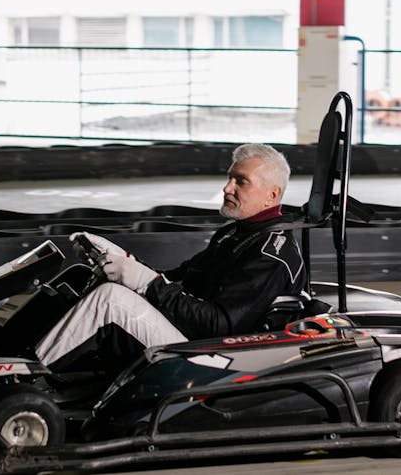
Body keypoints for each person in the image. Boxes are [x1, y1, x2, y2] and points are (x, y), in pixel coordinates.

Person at [35, 143, 304, 373]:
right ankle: (20, 346)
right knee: (86, 274)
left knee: (111, 300)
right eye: (229, 178)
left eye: (240, 181)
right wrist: (124, 259)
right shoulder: (234, 235)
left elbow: (220, 325)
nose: (226, 188)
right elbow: (177, 279)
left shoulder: (270, 255)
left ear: (272, 195)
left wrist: (146, 282)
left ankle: (28, 376)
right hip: (194, 337)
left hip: (216, 359)